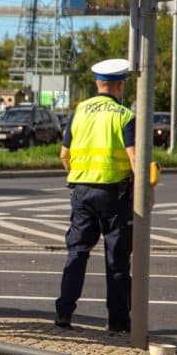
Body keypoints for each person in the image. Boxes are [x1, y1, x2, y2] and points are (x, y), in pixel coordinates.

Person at [54, 58, 138, 334]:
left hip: (81, 191)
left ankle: (64, 313)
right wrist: (144, 190)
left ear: (97, 83)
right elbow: (134, 158)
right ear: (119, 85)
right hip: (113, 194)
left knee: (77, 253)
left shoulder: (80, 111)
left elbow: (64, 155)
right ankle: (117, 321)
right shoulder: (123, 115)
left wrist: (77, 175)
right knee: (116, 260)